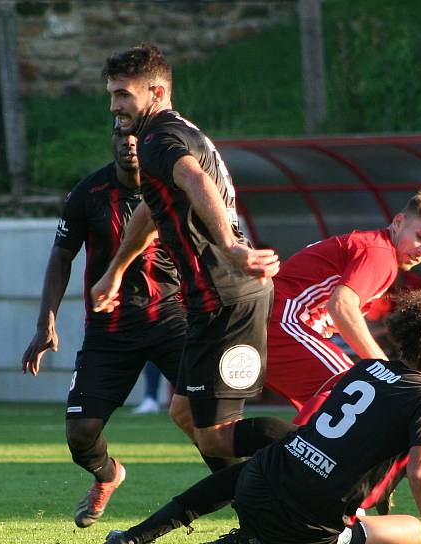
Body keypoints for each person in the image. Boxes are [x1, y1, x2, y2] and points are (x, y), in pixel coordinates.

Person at [103, 290, 421, 544]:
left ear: (402, 337)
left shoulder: (367, 369)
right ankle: (282, 537)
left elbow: (359, 445)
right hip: (303, 530)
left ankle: (139, 535)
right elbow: (417, 471)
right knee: (409, 532)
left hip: (256, 493)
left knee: (273, 455)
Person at [92, 44, 291, 462]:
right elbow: (151, 210)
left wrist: (233, 248)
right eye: (112, 94)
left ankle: (332, 454)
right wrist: (115, 270)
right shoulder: (176, 131)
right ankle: (253, 508)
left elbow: (195, 179)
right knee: (184, 414)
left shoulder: (159, 140)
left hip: (226, 296)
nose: (115, 106)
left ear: (157, 93)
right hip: (215, 298)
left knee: (218, 435)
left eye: (124, 94)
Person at [22, 128, 188, 528]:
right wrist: (46, 321)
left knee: (209, 420)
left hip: (170, 318)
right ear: (111, 140)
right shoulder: (88, 194)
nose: (129, 141)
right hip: (109, 328)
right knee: (80, 433)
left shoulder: (174, 187)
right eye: (120, 133)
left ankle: (249, 506)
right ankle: (108, 475)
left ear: (148, 142)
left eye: (136, 135)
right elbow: (61, 257)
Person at [263, 190, 421, 426]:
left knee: (218, 432)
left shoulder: (377, 250)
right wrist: (383, 367)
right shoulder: (381, 255)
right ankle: (288, 458)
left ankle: (285, 455)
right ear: (399, 222)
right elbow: (341, 305)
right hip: (283, 322)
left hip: (273, 323)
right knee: (356, 390)